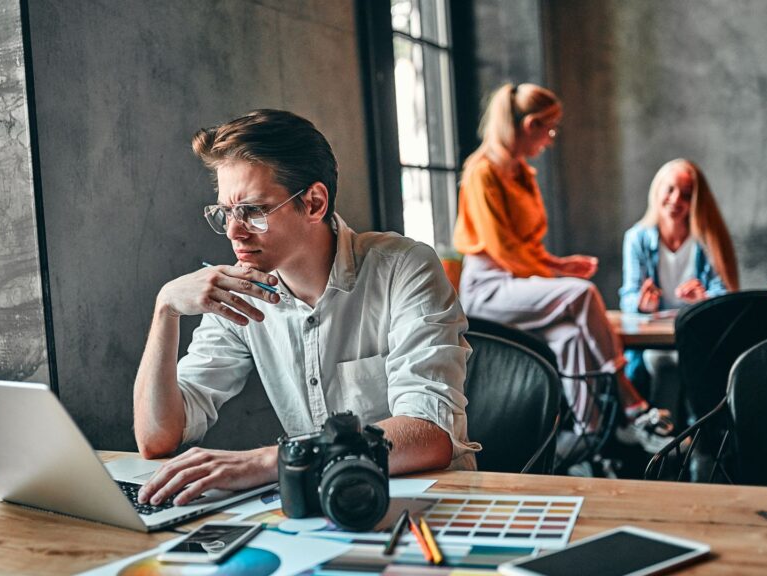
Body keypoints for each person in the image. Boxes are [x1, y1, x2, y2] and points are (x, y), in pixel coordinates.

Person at [133, 109, 479, 507]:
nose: (233, 231)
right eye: (226, 212)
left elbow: (429, 432)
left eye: (253, 211)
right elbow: (156, 438)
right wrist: (165, 311)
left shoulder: (404, 267)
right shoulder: (241, 291)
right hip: (321, 511)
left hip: (430, 506)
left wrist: (270, 460)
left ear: (314, 203)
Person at [452, 82, 672, 454]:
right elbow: (503, 250)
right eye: (548, 128)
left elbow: (525, 247)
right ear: (529, 125)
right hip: (487, 288)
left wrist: (557, 263)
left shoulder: (522, 174)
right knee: (582, 292)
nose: (551, 138)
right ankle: (630, 398)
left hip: (516, 279)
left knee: (570, 337)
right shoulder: (481, 173)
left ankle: (590, 436)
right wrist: (557, 274)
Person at [619, 158, 738, 419]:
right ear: (657, 189)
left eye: (686, 195)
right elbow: (628, 296)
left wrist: (704, 300)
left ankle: (685, 443)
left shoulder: (707, 240)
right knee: (661, 361)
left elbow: (727, 299)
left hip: (697, 337)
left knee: (694, 362)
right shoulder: (637, 238)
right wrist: (642, 304)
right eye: (670, 189)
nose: (676, 200)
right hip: (655, 343)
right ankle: (677, 444)